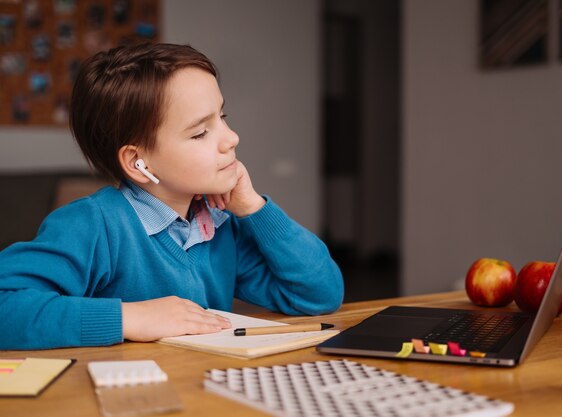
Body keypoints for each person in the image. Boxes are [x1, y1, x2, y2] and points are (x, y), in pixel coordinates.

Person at [0, 42, 344, 350]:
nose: (232, 138)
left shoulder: (219, 226)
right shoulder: (93, 225)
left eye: (222, 117)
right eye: (200, 133)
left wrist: (255, 208)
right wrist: (129, 318)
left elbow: (320, 295)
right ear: (138, 162)